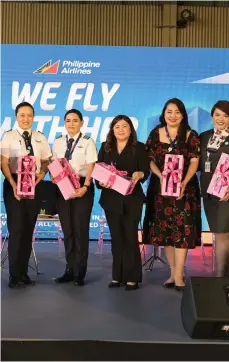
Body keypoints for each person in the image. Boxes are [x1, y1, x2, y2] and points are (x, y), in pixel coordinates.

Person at [143, 98, 201, 291]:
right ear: (164, 113)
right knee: (165, 232)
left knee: (182, 231)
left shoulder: (191, 135)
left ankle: (179, 276)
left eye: (177, 112)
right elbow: (148, 159)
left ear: (182, 114)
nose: (173, 115)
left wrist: (183, 181)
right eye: (169, 111)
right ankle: (172, 273)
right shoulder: (155, 133)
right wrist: (161, 176)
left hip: (185, 190)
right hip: (161, 190)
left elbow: (194, 161)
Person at [1, 101, 52, 288]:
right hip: (14, 183)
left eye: (29, 115)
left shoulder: (40, 137)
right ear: (16, 117)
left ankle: (24, 273)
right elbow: (3, 163)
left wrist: (41, 175)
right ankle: (14, 275)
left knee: (29, 229)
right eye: (22, 115)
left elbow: (46, 161)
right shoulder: (8, 136)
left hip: (34, 184)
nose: (26, 118)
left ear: (33, 117)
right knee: (16, 229)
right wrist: (14, 184)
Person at [96, 115, 149, 291]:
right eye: (117, 126)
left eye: (124, 126)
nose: (121, 130)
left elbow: (145, 171)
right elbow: (99, 171)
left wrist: (140, 174)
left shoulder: (139, 148)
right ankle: (117, 276)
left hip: (132, 199)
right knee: (116, 238)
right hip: (111, 199)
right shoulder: (105, 147)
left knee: (130, 238)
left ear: (130, 130)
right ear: (112, 129)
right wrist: (100, 182)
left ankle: (132, 277)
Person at [200, 100, 229, 277]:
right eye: (218, 114)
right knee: (215, 230)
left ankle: (222, 276)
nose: (221, 119)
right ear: (212, 115)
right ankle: (220, 274)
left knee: (221, 232)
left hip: (227, 193)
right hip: (207, 193)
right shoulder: (203, 137)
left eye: (225, 116)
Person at [52, 109, 97, 286]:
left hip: (82, 185)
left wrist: (86, 186)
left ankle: (80, 272)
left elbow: (92, 165)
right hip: (62, 185)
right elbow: (54, 163)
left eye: (75, 120)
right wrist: (55, 178)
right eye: (68, 120)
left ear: (81, 123)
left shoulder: (87, 142)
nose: (71, 123)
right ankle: (69, 269)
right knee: (68, 230)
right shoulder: (57, 142)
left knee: (80, 230)